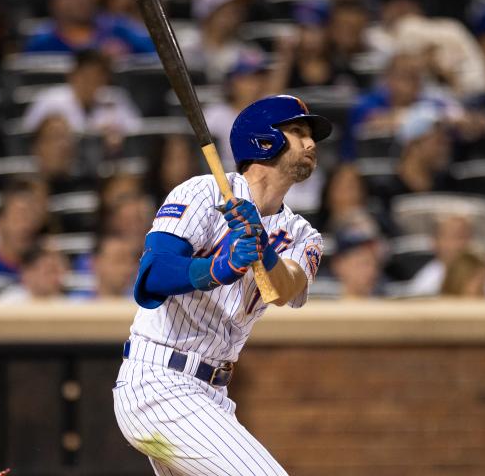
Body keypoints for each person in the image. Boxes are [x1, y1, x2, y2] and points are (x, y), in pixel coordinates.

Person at [113, 94, 330, 475]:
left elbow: (286, 289)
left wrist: (264, 251)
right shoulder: (203, 192)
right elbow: (152, 276)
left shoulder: (303, 233)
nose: (311, 143)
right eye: (298, 131)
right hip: (159, 381)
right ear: (265, 139)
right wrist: (218, 267)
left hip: (212, 391)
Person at [22, 49, 141, 150]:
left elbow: (137, 132)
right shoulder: (49, 99)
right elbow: (30, 136)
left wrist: (118, 132)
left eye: (97, 76)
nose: (90, 82)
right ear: (72, 75)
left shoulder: (115, 98)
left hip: (106, 166)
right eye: (85, 76)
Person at [24, 0, 154, 57]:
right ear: (54, 0)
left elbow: (155, 63)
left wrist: (128, 59)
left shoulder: (121, 30)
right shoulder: (41, 44)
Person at [408, 215, 485, 299]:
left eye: (464, 236)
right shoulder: (425, 282)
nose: (459, 244)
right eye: (453, 236)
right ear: (435, 242)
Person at [184, 0, 259, 83]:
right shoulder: (182, 46)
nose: (237, 13)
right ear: (209, 12)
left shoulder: (247, 53)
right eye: (228, 8)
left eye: (238, 8)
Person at [0, 244, 68, 304]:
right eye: (50, 271)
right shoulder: (7, 302)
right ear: (28, 272)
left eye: (58, 271)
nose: (55, 277)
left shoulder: (68, 306)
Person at [330, 223, 386, 298]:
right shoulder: (321, 305)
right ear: (339, 265)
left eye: (375, 264)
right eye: (363, 263)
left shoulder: (386, 304)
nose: (371, 271)